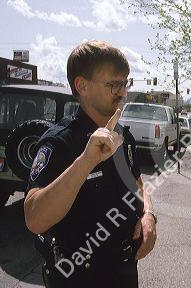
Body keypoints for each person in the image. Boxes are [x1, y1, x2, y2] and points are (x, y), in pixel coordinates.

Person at [24, 40, 157, 288]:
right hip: (79, 277)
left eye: (125, 83)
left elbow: (137, 183)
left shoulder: (122, 136)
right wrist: (86, 161)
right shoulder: (59, 142)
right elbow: (34, 219)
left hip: (125, 271)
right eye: (113, 84)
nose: (122, 92)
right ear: (82, 85)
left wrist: (148, 214)